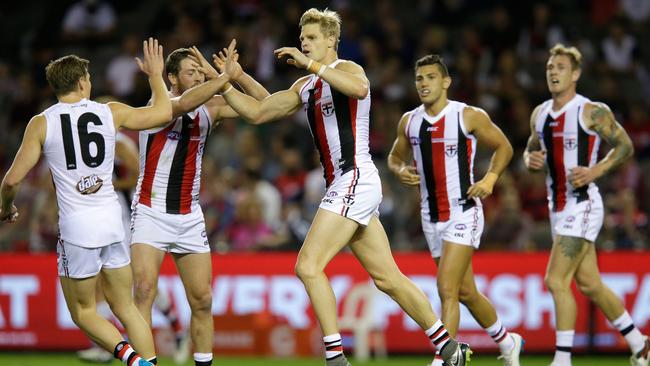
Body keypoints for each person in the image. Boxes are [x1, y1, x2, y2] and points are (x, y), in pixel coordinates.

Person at [219, 8, 471, 366]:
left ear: (331, 40)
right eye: (302, 37)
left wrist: (310, 65)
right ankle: (450, 349)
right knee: (388, 278)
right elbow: (260, 111)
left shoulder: (347, 70)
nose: (304, 42)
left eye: (311, 37)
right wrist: (230, 81)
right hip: (346, 183)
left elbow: (361, 88)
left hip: (356, 176)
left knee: (307, 266)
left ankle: (336, 359)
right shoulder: (305, 86)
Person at [0, 38, 171, 366]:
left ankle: (135, 362)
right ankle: (150, 363)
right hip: (111, 219)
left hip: (78, 228)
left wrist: (6, 207)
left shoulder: (42, 122)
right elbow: (163, 112)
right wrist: (155, 76)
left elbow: (12, 180)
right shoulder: (111, 112)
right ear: (82, 82)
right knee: (127, 308)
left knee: (83, 312)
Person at [129, 41, 269, 366]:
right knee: (144, 289)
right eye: (191, 72)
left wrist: (237, 75)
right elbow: (182, 104)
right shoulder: (159, 102)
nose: (197, 77)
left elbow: (265, 105)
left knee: (203, 300)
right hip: (151, 211)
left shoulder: (212, 107)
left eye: (198, 71)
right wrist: (220, 78)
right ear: (172, 78)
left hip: (189, 215)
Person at [387, 54, 522, 366]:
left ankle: (445, 359)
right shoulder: (409, 121)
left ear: (445, 82)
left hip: (463, 211)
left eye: (431, 77)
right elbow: (395, 155)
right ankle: (507, 341)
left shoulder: (467, 116)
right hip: (430, 216)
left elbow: (505, 146)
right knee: (466, 292)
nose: (423, 84)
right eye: (419, 78)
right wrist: (398, 169)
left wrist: (490, 178)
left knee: (446, 287)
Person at [523, 44, 649, 366]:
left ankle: (562, 360)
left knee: (555, 281)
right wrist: (530, 159)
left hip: (583, 204)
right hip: (558, 208)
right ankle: (640, 344)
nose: (553, 72)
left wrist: (595, 170)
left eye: (561, 67)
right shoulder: (539, 114)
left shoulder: (590, 111)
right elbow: (530, 149)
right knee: (590, 284)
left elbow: (625, 146)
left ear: (576, 74)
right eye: (550, 67)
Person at [77, 129, 188, 364]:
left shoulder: (119, 143)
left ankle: (177, 329)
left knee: (137, 283)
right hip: (105, 218)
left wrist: (108, 185)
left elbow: (141, 174)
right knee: (108, 282)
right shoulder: (91, 145)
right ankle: (106, 343)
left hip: (124, 219)